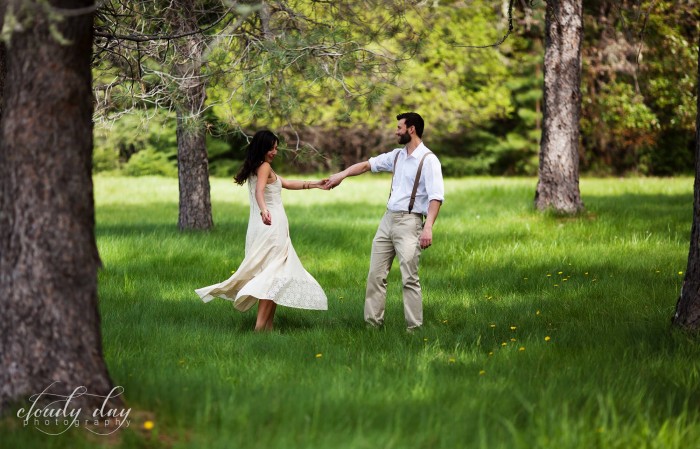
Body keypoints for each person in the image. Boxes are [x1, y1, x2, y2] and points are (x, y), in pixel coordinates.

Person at [195, 130, 328, 331]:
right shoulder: (264, 167)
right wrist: (264, 210)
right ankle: (260, 327)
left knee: (274, 275)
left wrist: (316, 184)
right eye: (271, 148)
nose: (275, 151)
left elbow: (288, 183)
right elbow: (259, 192)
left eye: (276, 147)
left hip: (263, 228)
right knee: (273, 276)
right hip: (271, 227)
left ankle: (268, 327)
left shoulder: (258, 167)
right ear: (262, 148)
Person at [324, 112, 444, 330]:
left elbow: (436, 197)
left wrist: (428, 228)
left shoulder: (429, 160)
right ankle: (372, 326)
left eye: (399, 127)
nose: (395, 131)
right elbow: (366, 165)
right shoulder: (397, 156)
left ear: (411, 129)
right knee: (375, 276)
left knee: (409, 278)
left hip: (410, 223)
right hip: (387, 220)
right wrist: (341, 175)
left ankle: (414, 329)